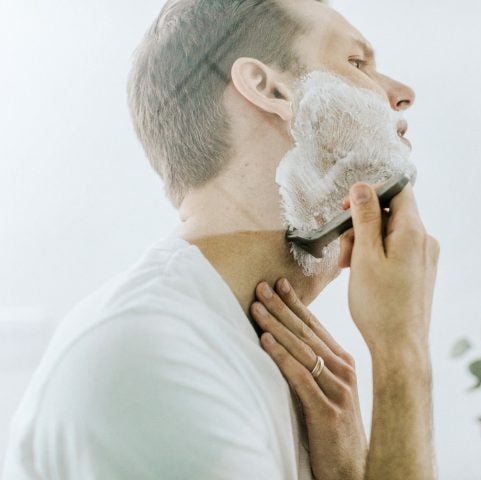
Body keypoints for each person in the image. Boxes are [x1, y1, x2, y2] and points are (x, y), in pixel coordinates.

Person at [2, 0, 440, 479]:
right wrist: (402, 356)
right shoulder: (152, 360)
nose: (403, 94)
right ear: (270, 89)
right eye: (356, 63)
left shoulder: (274, 370)